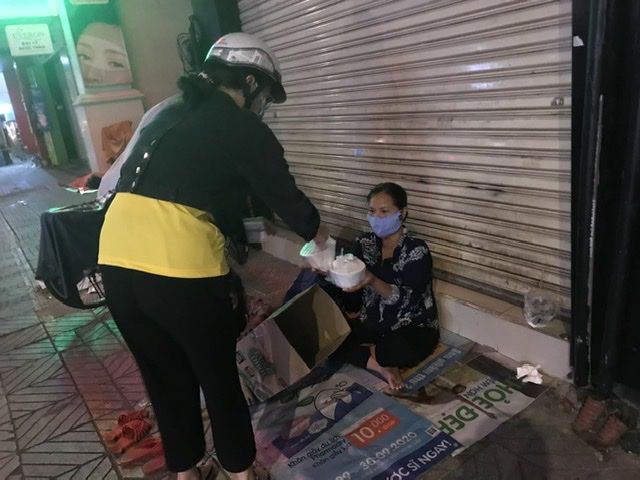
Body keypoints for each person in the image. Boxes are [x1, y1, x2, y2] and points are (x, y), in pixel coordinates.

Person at [98, 32, 327, 480]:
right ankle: (240, 471)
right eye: (265, 94)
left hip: (116, 259)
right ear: (249, 81)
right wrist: (324, 243)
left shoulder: (167, 114)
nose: (263, 105)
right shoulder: (238, 124)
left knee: (164, 376)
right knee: (217, 375)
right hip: (177, 265)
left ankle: (187, 471)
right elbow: (285, 196)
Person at [332, 182, 439, 390]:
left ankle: (377, 355)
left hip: (412, 325)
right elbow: (352, 299)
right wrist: (334, 274)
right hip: (373, 322)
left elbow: (410, 303)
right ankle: (381, 367)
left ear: (402, 213)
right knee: (330, 338)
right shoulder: (364, 243)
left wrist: (372, 280)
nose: (376, 218)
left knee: (393, 351)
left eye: (384, 211)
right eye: (372, 211)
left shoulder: (417, 251)